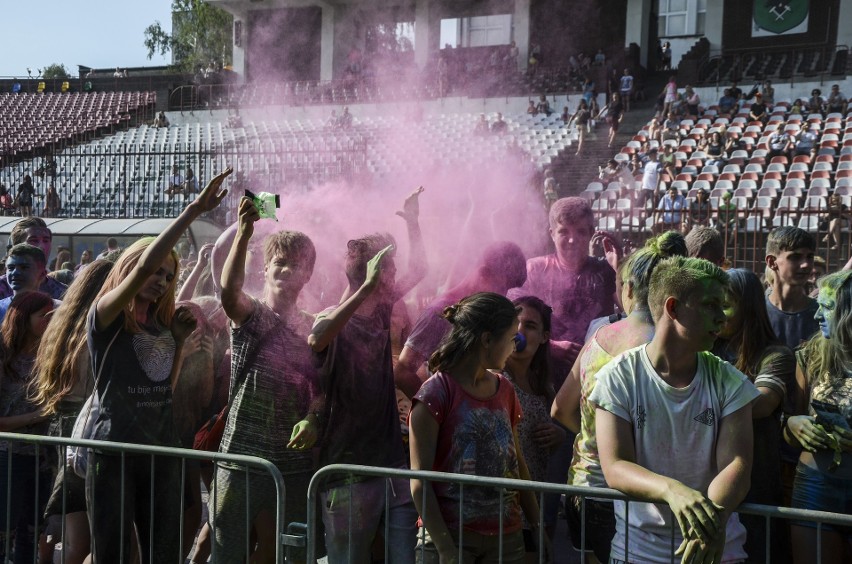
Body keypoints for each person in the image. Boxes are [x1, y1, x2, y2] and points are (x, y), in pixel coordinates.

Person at [84, 168, 231, 563]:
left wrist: (179, 343)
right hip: (114, 452)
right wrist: (192, 211)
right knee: (112, 554)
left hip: (160, 451)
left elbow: (162, 390)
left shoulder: (164, 325)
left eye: (169, 276)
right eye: (156, 271)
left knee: (163, 554)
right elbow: (142, 270)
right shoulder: (107, 315)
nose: (162, 280)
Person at [592, 256, 759, 563]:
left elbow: (737, 464)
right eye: (710, 305)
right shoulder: (618, 377)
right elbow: (615, 467)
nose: (722, 318)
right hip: (638, 553)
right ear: (673, 308)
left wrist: (709, 527)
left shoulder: (729, 381)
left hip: (717, 552)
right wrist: (672, 490)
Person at [552, 231, 687, 563]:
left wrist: (599, 441)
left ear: (628, 289)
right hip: (638, 494)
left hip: (584, 488)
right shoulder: (670, 345)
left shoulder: (598, 337)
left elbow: (560, 409)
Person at [309, 187, 425, 563]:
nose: (395, 273)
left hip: (391, 464)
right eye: (389, 266)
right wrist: (364, 289)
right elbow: (317, 337)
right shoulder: (332, 316)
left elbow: (421, 270)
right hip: (347, 470)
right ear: (375, 272)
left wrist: (414, 224)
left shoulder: (382, 307)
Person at [214, 196, 322, 563]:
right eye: (280, 262)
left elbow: (322, 386)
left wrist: (313, 416)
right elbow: (229, 293)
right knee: (229, 549)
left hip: (292, 463)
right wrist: (244, 234)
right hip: (240, 457)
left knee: (288, 551)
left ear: (308, 274)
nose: (287, 270)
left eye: (297, 265)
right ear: (266, 268)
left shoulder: (313, 326)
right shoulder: (252, 314)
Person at [409, 292, 541, 563]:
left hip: (506, 540)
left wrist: (538, 528)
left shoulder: (504, 389)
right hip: (451, 539)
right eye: (509, 339)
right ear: (487, 340)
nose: (514, 347)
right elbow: (420, 482)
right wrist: (445, 549)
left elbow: (518, 466)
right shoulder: (435, 393)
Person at [32, 260, 114, 564]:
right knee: (82, 538)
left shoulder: (64, 324)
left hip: (65, 428)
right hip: (84, 432)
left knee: (75, 534)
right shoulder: (94, 329)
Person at [710, 269, 795, 563]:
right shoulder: (706, 347)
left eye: (726, 303)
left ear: (748, 306)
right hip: (710, 487)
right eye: (713, 303)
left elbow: (762, 404)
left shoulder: (775, 355)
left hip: (755, 489)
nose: (718, 313)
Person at [395, 242, 527, 399]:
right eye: (502, 287)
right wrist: (437, 413)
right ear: (483, 273)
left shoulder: (484, 312)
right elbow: (403, 372)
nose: (504, 295)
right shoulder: (439, 312)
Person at [785, 270, 852, 564]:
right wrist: (791, 425)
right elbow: (788, 421)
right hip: (816, 486)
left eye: (827, 307)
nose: (816, 316)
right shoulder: (811, 355)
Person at [511, 197, 616, 374]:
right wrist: (551, 346)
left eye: (581, 232)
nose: (572, 240)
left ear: (591, 232)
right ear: (552, 233)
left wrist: (618, 268)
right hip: (543, 373)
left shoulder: (605, 271)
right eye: (564, 232)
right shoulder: (535, 270)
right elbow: (510, 322)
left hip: (596, 374)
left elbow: (634, 312)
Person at [503, 296, 564, 550]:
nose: (520, 331)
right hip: (501, 505)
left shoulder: (544, 388)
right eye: (515, 323)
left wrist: (558, 436)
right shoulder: (494, 379)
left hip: (532, 506)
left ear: (544, 336)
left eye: (529, 325)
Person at [0, 291, 55, 564]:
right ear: (23, 317)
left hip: (41, 459)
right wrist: (38, 415)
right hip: (7, 458)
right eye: (43, 315)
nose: (50, 320)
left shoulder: (49, 355)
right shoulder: (3, 356)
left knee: (31, 535)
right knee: (3, 532)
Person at [0, 218, 66, 301]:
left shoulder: (62, 293)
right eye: (34, 240)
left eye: (46, 240)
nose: (41, 246)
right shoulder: (2, 289)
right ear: (17, 246)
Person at [0, 244, 49, 322]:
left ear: (42, 274)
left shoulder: (55, 310)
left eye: (24, 267)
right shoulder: (1, 309)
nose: (15, 273)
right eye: (11, 268)